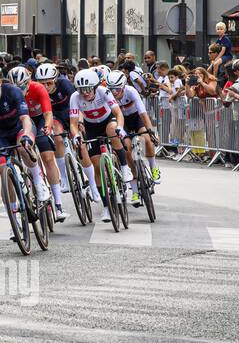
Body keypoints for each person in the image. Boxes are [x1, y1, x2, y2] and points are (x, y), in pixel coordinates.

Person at [0, 62, 46, 237]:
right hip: (0, 135)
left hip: (20, 128)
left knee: (23, 146)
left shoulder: (13, 91)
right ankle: (14, 221)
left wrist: (27, 135)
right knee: (4, 173)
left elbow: (26, 118)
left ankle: (38, 181)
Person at [68, 68, 132, 223]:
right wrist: (76, 135)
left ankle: (124, 167)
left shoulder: (104, 91)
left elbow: (118, 114)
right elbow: (73, 123)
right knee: (97, 165)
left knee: (112, 129)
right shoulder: (75, 97)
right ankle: (106, 207)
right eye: (81, 90)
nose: (85, 93)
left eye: (88, 89)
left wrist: (120, 128)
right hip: (91, 128)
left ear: (95, 87)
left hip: (108, 120)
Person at [8, 65, 67, 221]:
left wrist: (47, 127)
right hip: (22, 122)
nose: (18, 90)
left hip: (40, 119)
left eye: (22, 86)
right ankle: (30, 180)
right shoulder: (9, 94)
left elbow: (48, 113)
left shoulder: (38, 88)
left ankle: (58, 205)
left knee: (47, 157)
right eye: (15, 87)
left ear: (28, 83)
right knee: (22, 148)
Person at [106, 70, 159, 204]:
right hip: (122, 122)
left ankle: (154, 168)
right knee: (127, 150)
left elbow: (142, 112)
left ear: (123, 86)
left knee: (147, 139)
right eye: (112, 89)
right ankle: (135, 191)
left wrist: (150, 131)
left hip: (136, 118)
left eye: (117, 88)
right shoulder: (109, 96)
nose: (115, 92)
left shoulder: (131, 91)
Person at [36, 61, 77, 197]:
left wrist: (75, 124)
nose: (45, 87)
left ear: (55, 80)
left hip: (70, 110)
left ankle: (78, 158)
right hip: (54, 115)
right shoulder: (38, 90)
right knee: (58, 139)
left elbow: (74, 103)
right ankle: (64, 178)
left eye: (49, 83)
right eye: (42, 83)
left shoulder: (64, 84)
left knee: (77, 134)